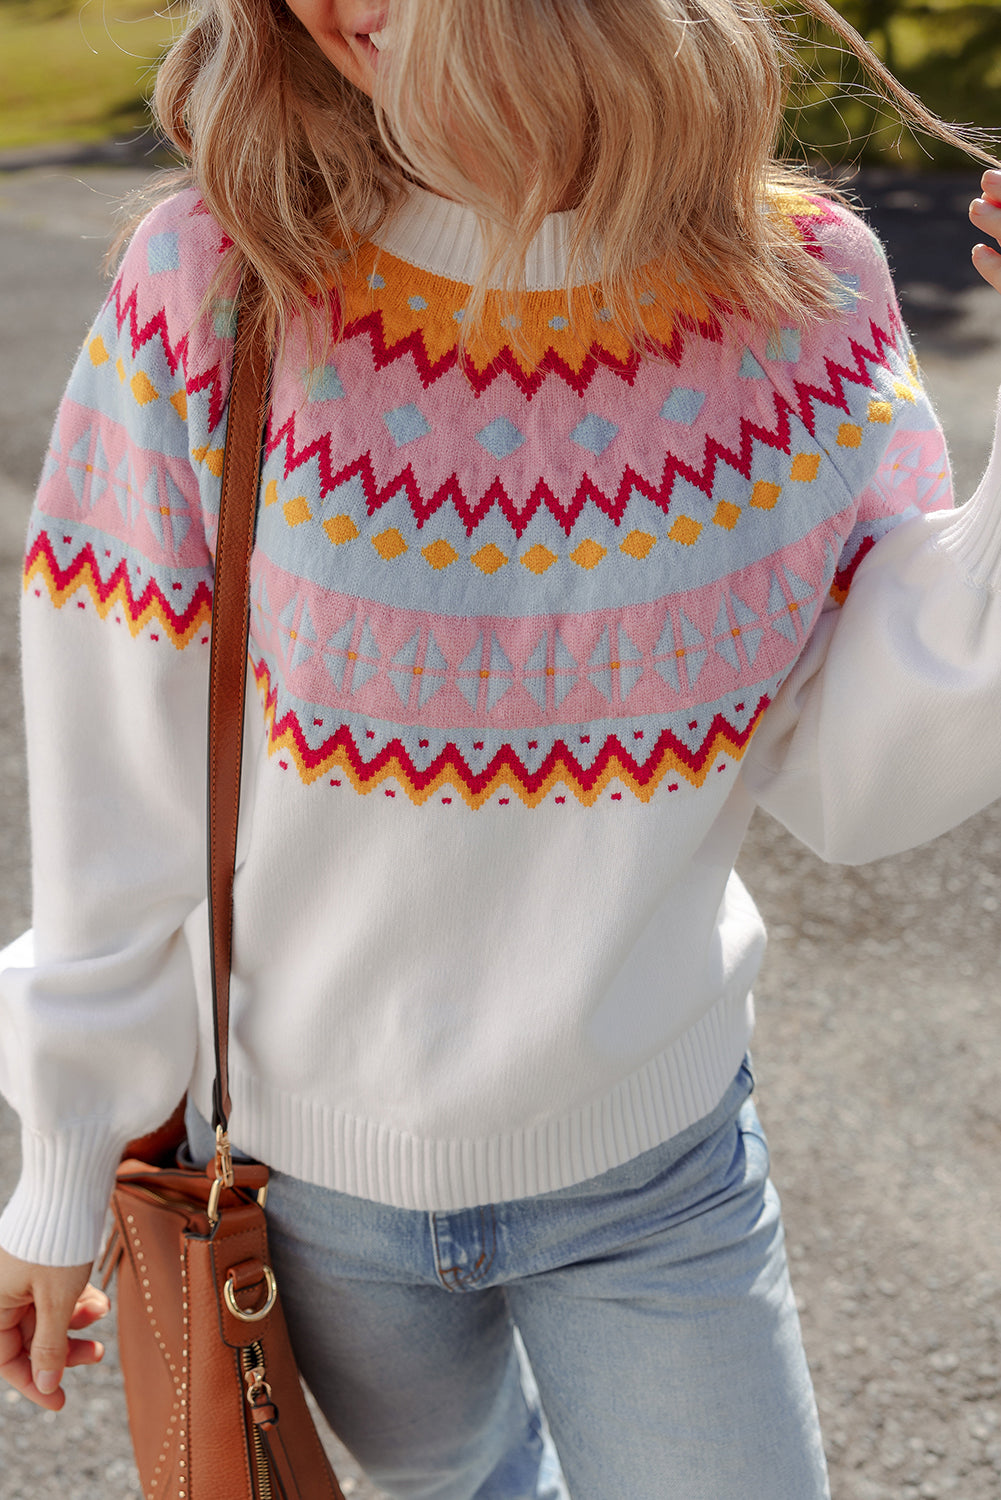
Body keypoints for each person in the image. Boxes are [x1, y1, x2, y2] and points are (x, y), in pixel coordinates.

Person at [1, 1, 1000, 1495]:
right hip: (308, 1186)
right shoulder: (220, 278)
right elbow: (115, 783)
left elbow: (865, 772)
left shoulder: (797, 287)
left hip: (656, 1176)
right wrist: (61, 1170)